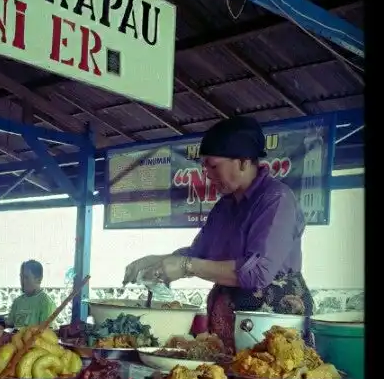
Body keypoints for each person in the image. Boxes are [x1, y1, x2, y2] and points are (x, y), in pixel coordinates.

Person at [123, 116, 314, 353]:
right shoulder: (225, 206)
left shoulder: (276, 199)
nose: (207, 174)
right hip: (230, 326)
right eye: (203, 166)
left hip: (271, 326)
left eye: (213, 165)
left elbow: (258, 272)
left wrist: (186, 266)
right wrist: (156, 261)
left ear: (243, 162)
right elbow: (198, 254)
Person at [6, 260, 56, 328]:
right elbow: (9, 326)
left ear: (38, 279)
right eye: (21, 277)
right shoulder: (17, 301)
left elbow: (45, 333)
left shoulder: (46, 303)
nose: (22, 281)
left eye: (26, 277)